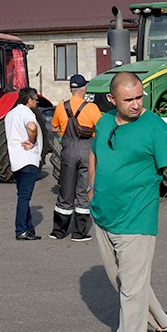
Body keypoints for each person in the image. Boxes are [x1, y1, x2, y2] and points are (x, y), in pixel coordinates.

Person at [88, 72, 167, 332]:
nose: (135, 104)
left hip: (137, 218)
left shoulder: (155, 128)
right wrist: (91, 187)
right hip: (103, 214)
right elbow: (95, 153)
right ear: (112, 99)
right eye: (128, 99)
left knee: (130, 290)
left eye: (139, 97)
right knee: (124, 283)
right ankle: (165, 323)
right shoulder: (104, 122)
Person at [49, 74, 102, 241]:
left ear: (71, 89)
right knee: (83, 191)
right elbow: (100, 128)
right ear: (84, 88)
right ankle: (78, 233)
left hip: (68, 150)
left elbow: (54, 127)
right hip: (87, 150)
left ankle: (58, 231)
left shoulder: (60, 107)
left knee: (65, 190)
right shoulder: (92, 108)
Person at [4, 87, 43, 241]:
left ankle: (28, 227)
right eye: (35, 99)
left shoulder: (10, 113)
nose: (37, 102)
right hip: (28, 159)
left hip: (16, 160)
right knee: (24, 198)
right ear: (29, 100)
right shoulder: (27, 113)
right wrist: (32, 141)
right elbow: (32, 127)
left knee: (22, 195)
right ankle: (21, 230)